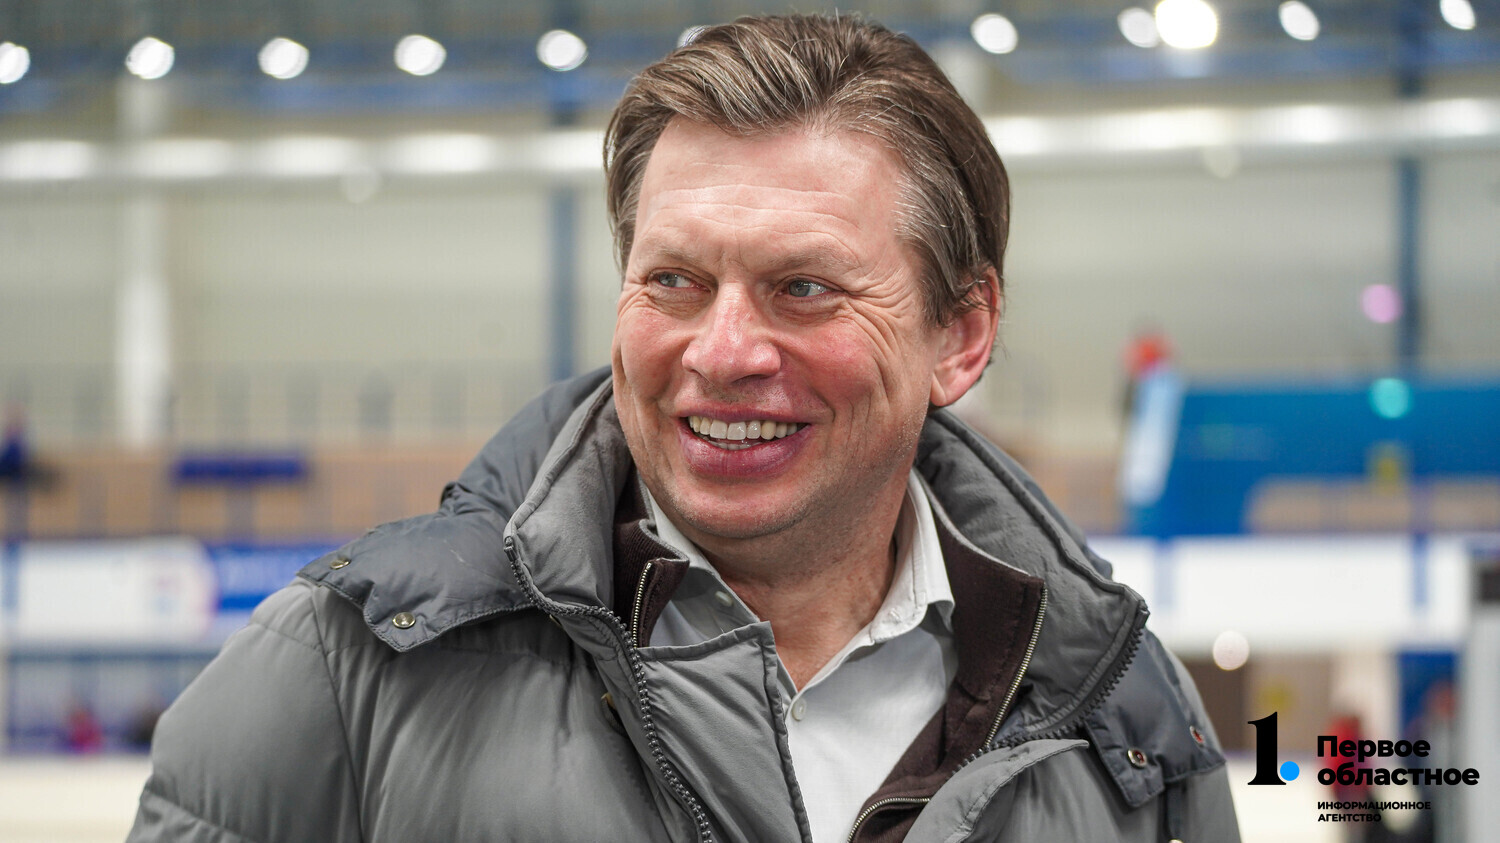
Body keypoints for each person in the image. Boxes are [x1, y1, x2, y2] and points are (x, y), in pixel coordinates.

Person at [128, 14, 1239, 842]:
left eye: (803, 288)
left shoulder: (1126, 721)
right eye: (673, 281)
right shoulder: (347, 673)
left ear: (961, 332)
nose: (722, 350)